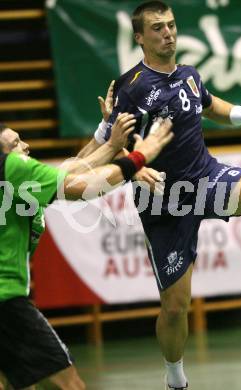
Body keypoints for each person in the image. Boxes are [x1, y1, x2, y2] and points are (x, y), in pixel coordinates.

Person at [97, 2, 241, 389]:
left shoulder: (189, 75)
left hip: (205, 178)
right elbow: (109, 142)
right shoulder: (132, 87)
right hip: (165, 200)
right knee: (176, 309)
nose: (168, 34)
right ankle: (175, 380)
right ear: (140, 37)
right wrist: (134, 166)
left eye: (172, 26)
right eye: (158, 28)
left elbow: (210, 106)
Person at [0, 113, 173, 389]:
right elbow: (84, 186)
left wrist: (107, 135)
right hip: (6, 302)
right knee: (70, 385)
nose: (26, 146)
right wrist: (139, 157)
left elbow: (72, 171)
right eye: (15, 143)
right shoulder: (12, 170)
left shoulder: (20, 187)